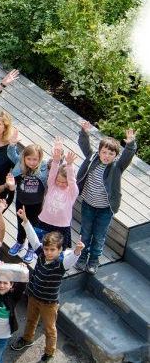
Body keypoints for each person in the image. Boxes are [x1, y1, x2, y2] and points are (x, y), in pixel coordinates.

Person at [11, 208, 85, 362]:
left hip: (49, 304)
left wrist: (77, 251)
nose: (48, 252)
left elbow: (71, 260)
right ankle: (27, 339)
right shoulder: (40, 254)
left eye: (52, 250)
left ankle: (49, 353)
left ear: (60, 250)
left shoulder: (61, 263)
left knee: (50, 329)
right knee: (31, 320)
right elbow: (33, 238)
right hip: (33, 296)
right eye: (46, 249)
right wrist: (25, 221)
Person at [75, 122, 136, 274]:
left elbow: (128, 155)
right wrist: (84, 132)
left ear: (116, 156)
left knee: (99, 236)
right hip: (88, 204)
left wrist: (130, 143)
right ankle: (82, 257)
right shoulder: (92, 158)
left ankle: (94, 260)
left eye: (111, 154)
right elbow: (83, 144)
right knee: (86, 232)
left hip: (105, 209)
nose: (106, 156)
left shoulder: (117, 167)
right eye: (104, 152)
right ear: (99, 151)